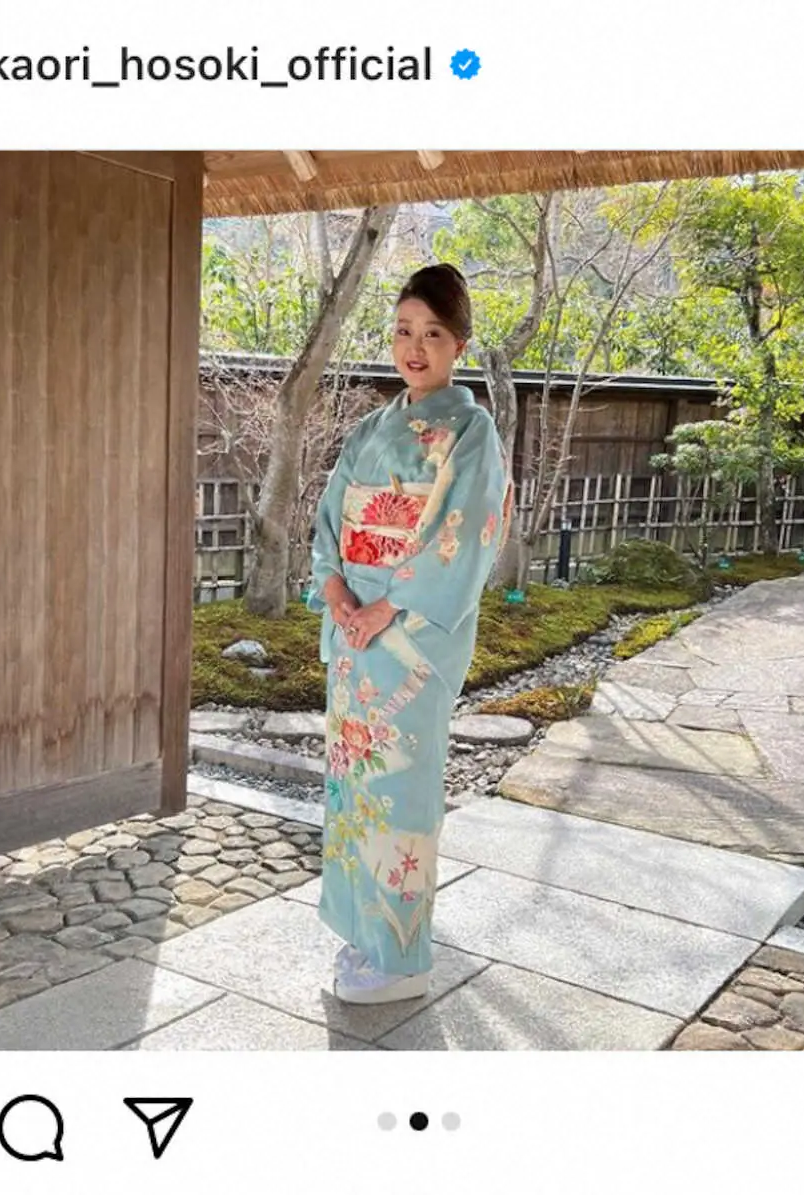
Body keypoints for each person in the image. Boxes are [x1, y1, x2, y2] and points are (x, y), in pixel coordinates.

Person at [306, 263, 514, 1005]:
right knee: (353, 788)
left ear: (459, 345)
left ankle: (403, 956)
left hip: (409, 641)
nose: (414, 348)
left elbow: (464, 533)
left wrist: (384, 607)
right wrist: (337, 591)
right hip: (354, 639)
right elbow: (331, 522)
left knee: (401, 789)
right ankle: (365, 933)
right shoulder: (370, 429)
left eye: (432, 333)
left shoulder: (472, 431)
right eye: (403, 331)